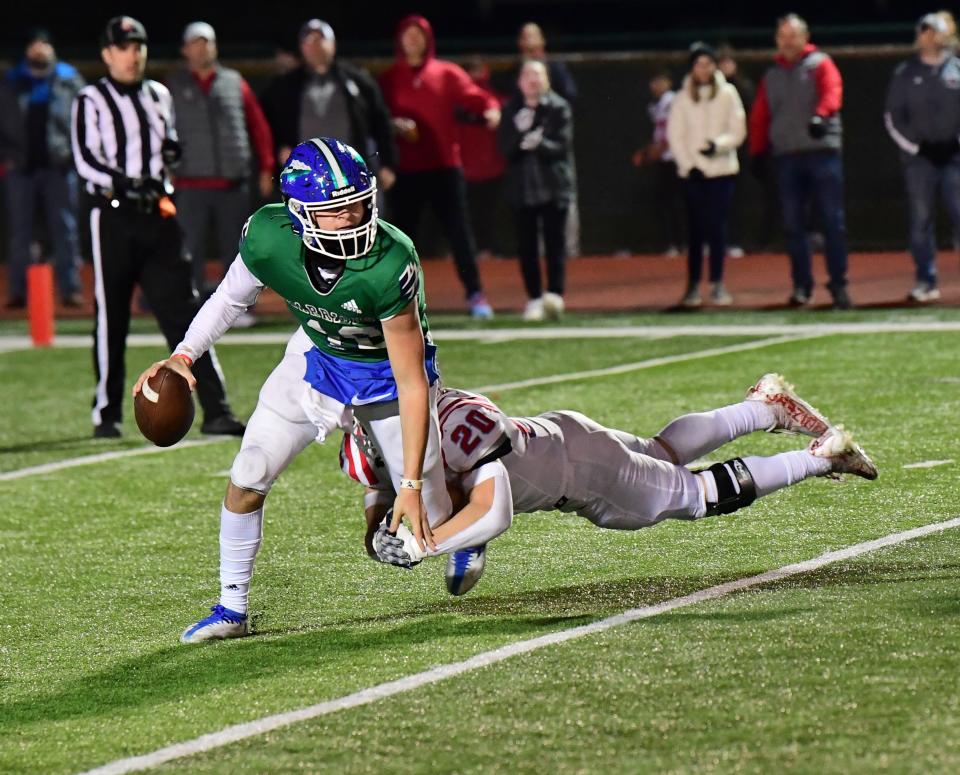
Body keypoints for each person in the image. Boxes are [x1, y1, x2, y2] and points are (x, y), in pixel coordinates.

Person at [140, 138, 453, 643]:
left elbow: (412, 379)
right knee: (248, 471)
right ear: (298, 213)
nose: (351, 219)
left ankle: (405, 481)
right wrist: (182, 355)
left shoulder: (391, 259)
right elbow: (228, 299)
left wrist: (413, 487)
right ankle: (232, 606)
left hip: (383, 376)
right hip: (317, 360)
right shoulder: (269, 236)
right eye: (335, 210)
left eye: (358, 204)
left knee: (435, 519)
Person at [344, 374, 877, 593]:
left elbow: (494, 509)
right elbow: (381, 495)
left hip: (578, 474)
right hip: (564, 434)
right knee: (659, 452)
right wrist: (378, 537)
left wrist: (423, 546)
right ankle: (760, 406)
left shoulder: (457, 426)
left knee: (695, 496)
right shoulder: (370, 435)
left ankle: (820, 459)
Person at [71, 16, 244, 440]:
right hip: (112, 215)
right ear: (107, 53)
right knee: (111, 315)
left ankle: (216, 409)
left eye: (139, 46)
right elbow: (85, 159)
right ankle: (106, 412)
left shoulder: (158, 95)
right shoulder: (91, 99)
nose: (133, 55)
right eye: (124, 47)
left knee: (185, 312)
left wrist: (171, 152)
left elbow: (168, 149)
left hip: (159, 215)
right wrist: (126, 181)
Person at [379, 14, 500, 319]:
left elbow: (477, 98)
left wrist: (491, 108)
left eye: (418, 34)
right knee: (401, 240)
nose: (412, 39)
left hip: (444, 168)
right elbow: (376, 120)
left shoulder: (446, 73)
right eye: (407, 34)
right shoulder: (389, 79)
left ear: (428, 39)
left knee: (459, 235)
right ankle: (396, 300)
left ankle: (475, 294)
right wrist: (393, 127)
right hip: (406, 171)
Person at [167, 21, 275, 323]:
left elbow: (258, 127)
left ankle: (237, 309)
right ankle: (191, 306)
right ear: (185, 49)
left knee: (237, 250)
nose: (202, 49)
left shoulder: (234, 81)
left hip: (232, 181)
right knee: (189, 249)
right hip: (189, 181)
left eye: (207, 42)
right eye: (196, 43)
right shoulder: (173, 86)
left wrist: (266, 165)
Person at [749, 14, 852, 310]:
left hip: (821, 152)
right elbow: (761, 115)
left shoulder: (820, 64)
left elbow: (833, 91)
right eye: (782, 36)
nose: (788, 42)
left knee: (832, 221)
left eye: (792, 35)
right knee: (793, 225)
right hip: (787, 157)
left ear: (805, 37)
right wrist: (757, 150)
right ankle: (801, 286)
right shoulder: (772, 76)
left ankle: (839, 284)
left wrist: (821, 115)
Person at [260, 19, 397, 216]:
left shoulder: (357, 81)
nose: (315, 45)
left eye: (320, 39)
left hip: (352, 173)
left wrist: (388, 164)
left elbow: (380, 122)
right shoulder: (284, 86)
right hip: (307, 177)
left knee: (360, 228)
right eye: (309, 40)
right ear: (301, 47)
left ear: (333, 44)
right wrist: (279, 150)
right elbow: (266, 125)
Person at [0, 29, 84, 309]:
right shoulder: (12, 81)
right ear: (27, 50)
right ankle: (18, 291)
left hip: (58, 168)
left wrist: (74, 155)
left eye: (44, 44)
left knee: (66, 230)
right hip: (20, 168)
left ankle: (70, 289)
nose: (39, 50)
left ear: (52, 49)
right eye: (34, 44)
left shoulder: (68, 79)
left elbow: (85, 120)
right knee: (19, 233)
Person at [884, 13, 960, 303]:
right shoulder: (905, 73)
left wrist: (955, 144)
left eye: (934, 31)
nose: (928, 37)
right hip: (920, 162)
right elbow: (892, 117)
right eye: (924, 31)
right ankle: (925, 280)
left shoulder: (957, 70)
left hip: (955, 159)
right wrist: (917, 148)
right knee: (921, 219)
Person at [666, 42, 745, 308]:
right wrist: (690, 166)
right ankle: (692, 285)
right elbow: (675, 136)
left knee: (717, 228)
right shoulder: (682, 98)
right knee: (696, 232)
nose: (704, 69)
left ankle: (718, 283)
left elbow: (737, 130)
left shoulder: (727, 94)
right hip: (693, 175)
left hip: (721, 172)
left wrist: (718, 146)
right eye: (699, 64)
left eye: (708, 63)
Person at [498, 60, 575, 322]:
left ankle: (554, 295)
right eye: (527, 75)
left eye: (538, 75)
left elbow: (561, 147)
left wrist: (539, 143)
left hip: (553, 186)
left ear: (547, 80)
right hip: (523, 189)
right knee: (527, 246)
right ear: (520, 82)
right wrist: (522, 136)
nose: (532, 80)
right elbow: (505, 149)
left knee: (555, 244)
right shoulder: (511, 110)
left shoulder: (558, 107)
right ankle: (533, 297)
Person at [515, 22, 580, 259]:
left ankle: (569, 249)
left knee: (563, 192)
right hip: (525, 147)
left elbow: (571, 96)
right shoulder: (515, 71)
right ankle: (539, 251)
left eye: (533, 36)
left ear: (542, 41)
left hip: (553, 142)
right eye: (524, 36)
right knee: (529, 197)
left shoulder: (554, 67)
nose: (529, 41)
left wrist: (548, 121)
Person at [457, 57, 508, 261]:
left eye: (479, 70)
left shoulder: (494, 97)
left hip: (491, 166)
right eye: (472, 70)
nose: (476, 75)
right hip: (464, 166)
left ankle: (485, 249)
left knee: (487, 211)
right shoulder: (457, 99)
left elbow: (496, 109)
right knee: (465, 213)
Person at [632, 72, 683, 257]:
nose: (655, 86)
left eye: (659, 81)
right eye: (653, 81)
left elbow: (672, 132)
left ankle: (677, 243)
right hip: (664, 159)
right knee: (664, 202)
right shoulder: (655, 105)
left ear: (668, 82)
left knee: (674, 202)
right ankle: (670, 242)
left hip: (676, 158)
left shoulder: (673, 101)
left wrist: (653, 152)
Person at [716, 45, 755, 258]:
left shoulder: (743, 87)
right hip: (714, 151)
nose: (725, 66)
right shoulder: (710, 89)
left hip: (738, 150)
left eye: (728, 61)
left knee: (736, 197)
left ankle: (735, 240)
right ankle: (715, 240)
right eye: (721, 62)